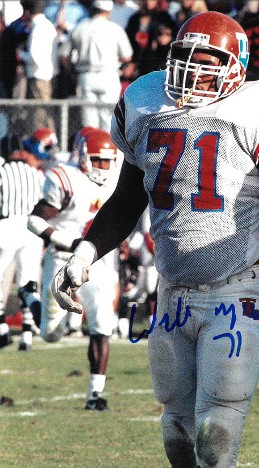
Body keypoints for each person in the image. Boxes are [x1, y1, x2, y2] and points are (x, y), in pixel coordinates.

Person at [52, 12, 259, 466]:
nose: (192, 71)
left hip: (241, 288)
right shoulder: (147, 102)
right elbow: (128, 199)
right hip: (172, 293)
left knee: (216, 429)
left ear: (236, 67)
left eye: (207, 61)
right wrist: (85, 251)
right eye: (184, 58)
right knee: (176, 430)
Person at [27, 128, 119, 410]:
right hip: (63, 257)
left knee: (103, 323)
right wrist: (71, 243)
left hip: (95, 260)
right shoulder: (65, 177)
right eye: (97, 160)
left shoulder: (116, 178)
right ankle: (30, 297)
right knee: (51, 333)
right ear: (82, 157)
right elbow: (35, 222)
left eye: (107, 161)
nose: (103, 167)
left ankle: (95, 395)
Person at [59, 0, 133, 131]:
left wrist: (72, 73)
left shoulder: (80, 27)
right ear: (108, 11)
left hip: (86, 76)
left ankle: (90, 149)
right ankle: (107, 149)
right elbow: (127, 56)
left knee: (89, 121)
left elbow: (64, 55)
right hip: (108, 75)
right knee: (108, 119)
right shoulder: (115, 29)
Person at [0, 136, 45, 350]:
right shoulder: (36, 174)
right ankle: (27, 333)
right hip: (31, 228)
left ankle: (1, 327)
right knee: (29, 283)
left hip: (7, 225)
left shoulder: (2, 171)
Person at [17, 0, 60, 132]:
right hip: (49, 77)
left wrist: (20, 54)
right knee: (46, 114)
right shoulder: (47, 25)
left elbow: (35, 58)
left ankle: (40, 146)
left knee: (38, 116)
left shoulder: (38, 27)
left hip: (39, 78)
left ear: (27, 12)